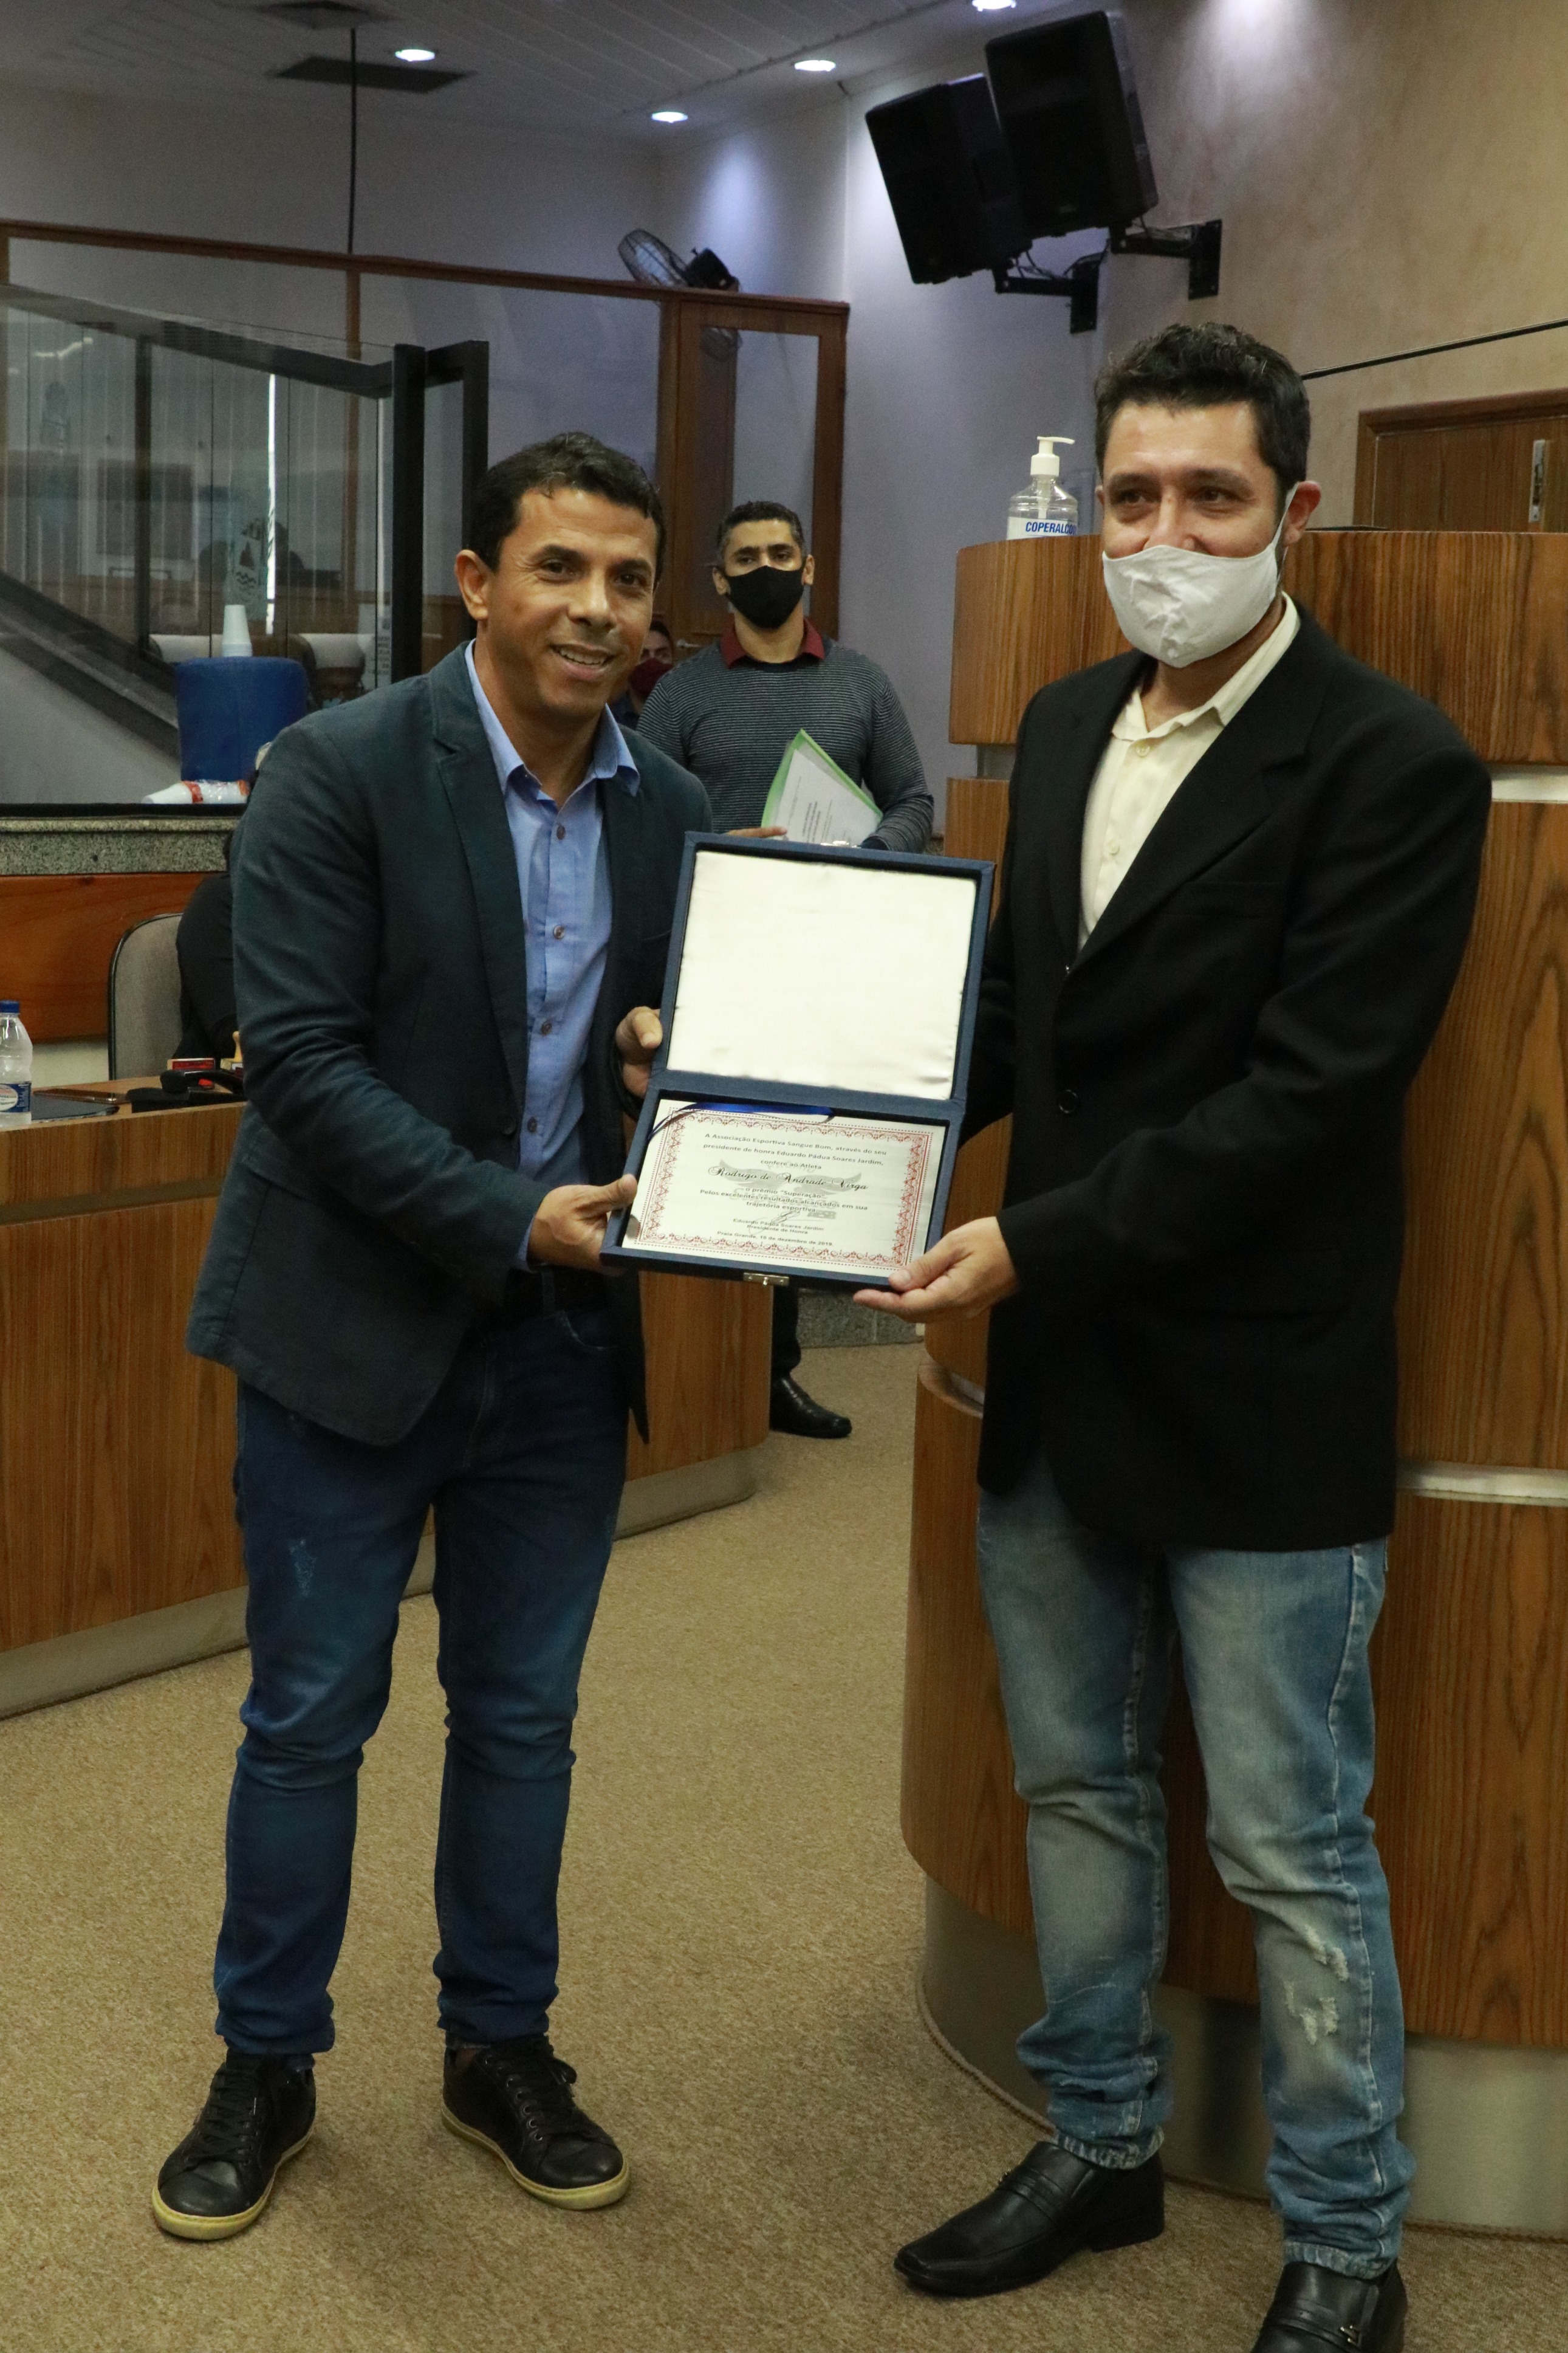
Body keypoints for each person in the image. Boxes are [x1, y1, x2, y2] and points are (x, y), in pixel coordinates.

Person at [857, 324, 1490, 2353]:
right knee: (1074, 1790)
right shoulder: (1060, 726)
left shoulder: (1390, 762)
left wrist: (1025, 1246)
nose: (1161, 537)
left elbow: (1308, 1101)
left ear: (1290, 509)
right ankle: (1100, 2143)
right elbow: (1019, 1027)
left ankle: (1347, 2243)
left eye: (1209, 498)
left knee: (1288, 1846)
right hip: (1064, 1378)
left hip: (1257, 1383)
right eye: (1129, 497)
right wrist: (797, 1114)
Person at [152, 431, 708, 2241]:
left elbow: (672, 1043)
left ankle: (499, 2046)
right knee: (309, 1717)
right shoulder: (338, 769)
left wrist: (662, 1063)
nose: (596, 610)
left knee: (523, 1718)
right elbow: (302, 1067)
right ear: (476, 583)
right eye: (559, 569)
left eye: (627, 580)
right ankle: (266, 2061)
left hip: (556, 1346)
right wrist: (501, 1213)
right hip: (350, 1326)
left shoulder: (668, 806)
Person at [637, 498, 933, 1440]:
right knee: (714, 1153)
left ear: (808, 568)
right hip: (715, 949)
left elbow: (914, 799)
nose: (764, 567)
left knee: (795, 1158)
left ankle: (773, 1372)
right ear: (720, 580)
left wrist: (871, 854)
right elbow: (635, 818)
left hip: (824, 953)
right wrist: (717, 844)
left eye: (780, 552)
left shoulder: (860, 683)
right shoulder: (680, 693)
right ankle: (702, 1375)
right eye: (745, 557)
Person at [610, 610, 674, 726]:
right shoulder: (609, 717)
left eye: (662, 655)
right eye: (643, 655)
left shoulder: (685, 716)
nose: (652, 663)